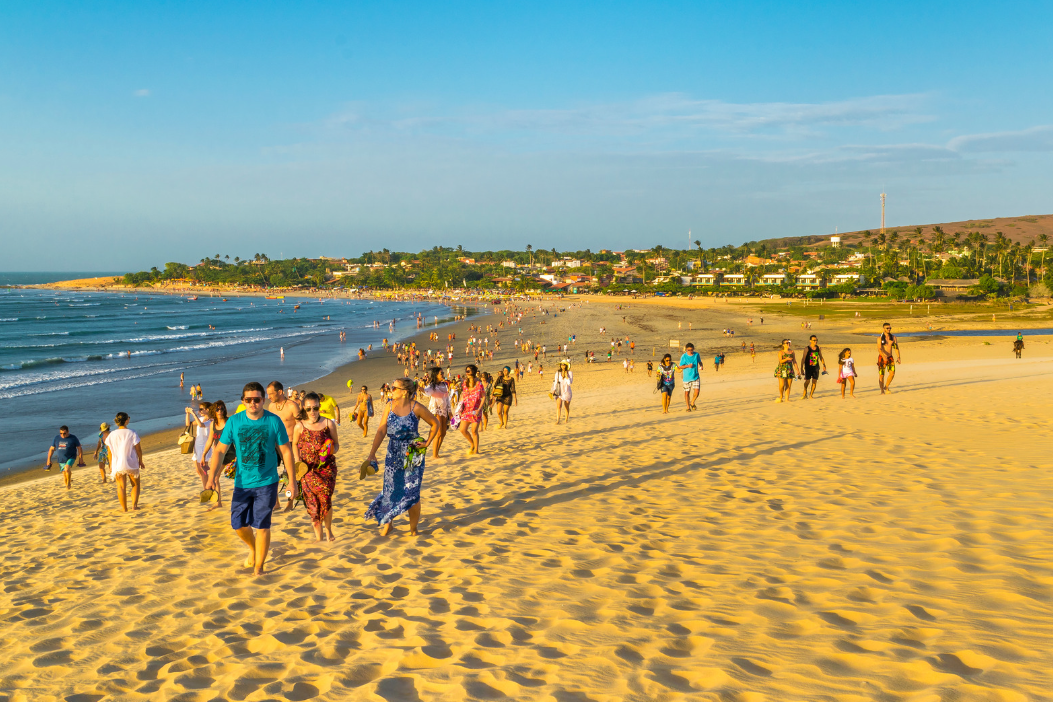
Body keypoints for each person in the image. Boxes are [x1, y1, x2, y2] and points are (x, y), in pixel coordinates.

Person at [206, 382, 295, 577]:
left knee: (262, 524)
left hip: (267, 481)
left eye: (257, 399)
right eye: (249, 400)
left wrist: (292, 481)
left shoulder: (274, 421)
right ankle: (254, 549)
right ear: (243, 401)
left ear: (263, 400)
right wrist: (212, 476)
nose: (253, 403)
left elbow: (286, 451)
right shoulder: (234, 422)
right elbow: (220, 449)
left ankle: (259, 568)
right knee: (237, 524)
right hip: (242, 483)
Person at [364, 377, 439, 537]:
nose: (391, 390)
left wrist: (427, 443)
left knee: (412, 491)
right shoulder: (389, 406)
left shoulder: (416, 408)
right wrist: (372, 453)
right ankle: (388, 524)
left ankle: (413, 529)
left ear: (404, 392)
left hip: (412, 453)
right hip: (393, 452)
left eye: (394, 388)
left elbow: (435, 423)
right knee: (390, 489)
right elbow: (381, 430)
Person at [292, 392, 340, 542]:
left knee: (325, 499)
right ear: (303, 409)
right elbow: (294, 444)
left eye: (315, 408)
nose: (312, 412)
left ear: (320, 407)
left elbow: (337, 444)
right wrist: (297, 461)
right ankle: (318, 537)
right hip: (307, 470)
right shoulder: (299, 426)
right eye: (308, 409)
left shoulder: (328, 424)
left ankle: (328, 530)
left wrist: (331, 450)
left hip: (326, 469)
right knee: (312, 503)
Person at [105, 412, 143, 512]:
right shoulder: (132, 432)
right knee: (135, 484)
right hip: (131, 462)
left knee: (121, 487)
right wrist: (141, 461)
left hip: (118, 463)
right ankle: (134, 506)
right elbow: (138, 449)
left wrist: (110, 465)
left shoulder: (112, 434)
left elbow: (109, 452)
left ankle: (124, 508)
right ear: (126, 421)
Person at [201, 401, 231, 509]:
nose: (220, 411)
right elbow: (210, 440)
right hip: (220, 454)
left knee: (237, 477)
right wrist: (204, 454)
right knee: (215, 477)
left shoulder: (229, 422)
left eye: (222, 409)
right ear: (214, 411)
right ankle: (218, 502)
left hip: (231, 453)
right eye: (217, 409)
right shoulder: (212, 424)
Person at [456, 365, 485, 455]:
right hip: (466, 410)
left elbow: (483, 397)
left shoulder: (479, 384)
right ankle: (472, 443)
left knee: (474, 431)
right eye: (466, 370)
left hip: (476, 410)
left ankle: (476, 450)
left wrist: (479, 409)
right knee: (462, 430)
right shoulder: (464, 383)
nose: (466, 372)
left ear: (473, 372)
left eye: (468, 371)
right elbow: (463, 395)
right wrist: (459, 408)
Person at [422, 368, 451, 458]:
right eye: (441, 373)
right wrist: (420, 388)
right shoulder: (432, 385)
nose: (442, 374)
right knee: (438, 433)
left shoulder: (444, 385)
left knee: (443, 433)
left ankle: (437, 452)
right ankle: (435, 455)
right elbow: (427, 392)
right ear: (436, 375)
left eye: (442, 373)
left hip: (444, 410)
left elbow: (447, 399)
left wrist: (450, 411)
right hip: (436, 410)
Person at [185, 402, 213, 492]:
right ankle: (207, 487)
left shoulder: (211, 421)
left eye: (201, 409)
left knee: (203, 471)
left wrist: (193, 414)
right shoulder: (200, 418)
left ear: (207, 410)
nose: (199, 411)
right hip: (197, 447)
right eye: (199, 409)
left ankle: (207, 489)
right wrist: (188, 414)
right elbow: (188, 424)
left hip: (204, 448)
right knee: (198, 471)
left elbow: (201, 425)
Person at [676, 343, 703, 411]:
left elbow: (700, 362)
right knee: (687, 392)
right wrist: (687, 366)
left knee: (697, 391)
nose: (690, 351)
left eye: (691, 350)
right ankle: (688, 407)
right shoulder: (684, 356)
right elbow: (680, 366)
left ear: (693, 349)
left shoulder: (696, 355)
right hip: (686, 377)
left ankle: (692, 402)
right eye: (688, 350)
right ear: (686, 349)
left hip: (695, 376)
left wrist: (701, 366)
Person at [800, 335, 828, 399]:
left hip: (816, 367)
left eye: (816, 340)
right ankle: (805, 391)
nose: (815, 341)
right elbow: (803, 359)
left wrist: (824, 365)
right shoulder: (807, 348)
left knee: (814, 381)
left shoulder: (818, 348)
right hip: (808, 367)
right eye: (814, 340)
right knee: (807, 381)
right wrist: (801, 368)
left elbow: (821, 357)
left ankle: (811, 395)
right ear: (810, 341)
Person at [877, 323, 902, 394]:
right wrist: (883, 356)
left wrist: (898, 357)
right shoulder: (879, 338)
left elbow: (896, 348)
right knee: (881, 375)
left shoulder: (893, 338)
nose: (889, 329)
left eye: (890, 328)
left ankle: (886, 386)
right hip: (882, 358)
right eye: (887, 328)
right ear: (883, 329)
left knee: (892, 373)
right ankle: (882, 390)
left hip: (890, 357)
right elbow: (879, 349)